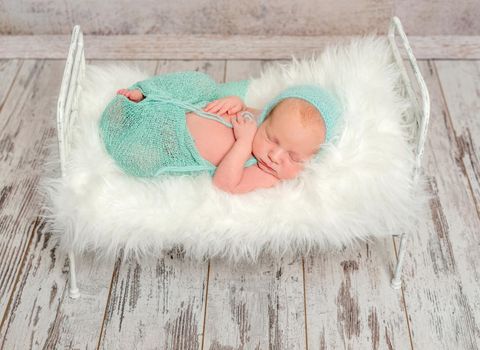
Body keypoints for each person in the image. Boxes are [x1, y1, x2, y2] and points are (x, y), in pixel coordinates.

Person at [100, 71, 342, 194]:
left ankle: (134, 118)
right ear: (268, 115)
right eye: (271, 138)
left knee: (142, 154)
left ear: (312, 160)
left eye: (293, 157)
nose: (275, 155)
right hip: (186, 107)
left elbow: (225, 184)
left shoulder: (267, 174)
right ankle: (146, 95)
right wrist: (236, 102)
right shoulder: (264, 118)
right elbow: (245, 111)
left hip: (172, 145)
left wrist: (244, 142)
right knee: (201, 83)